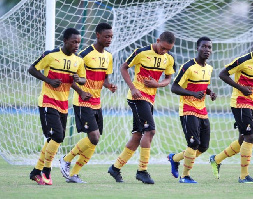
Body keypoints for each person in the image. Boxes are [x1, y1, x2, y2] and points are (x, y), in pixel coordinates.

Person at [108, 31, 176, 184]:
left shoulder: (169, 59)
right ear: (158, 40)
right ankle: (142, 171)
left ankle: (115, 168)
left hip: (150, 100)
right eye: (163, 47)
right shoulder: (141, 52)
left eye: (168, 49)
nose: (164, 51)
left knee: (138, 136)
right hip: (137, 97)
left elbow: (168, 78)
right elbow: (123, 68)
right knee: (150, 131)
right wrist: (133, 88)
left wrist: (157, 84)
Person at [209, 39, 253, 183]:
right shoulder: (243, 60)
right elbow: (222, 74)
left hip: (252, 104)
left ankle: (216, 159)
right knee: (250, 137)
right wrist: (241, 88)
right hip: (239, 103)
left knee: (242, 140)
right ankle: (244, 176)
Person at [59, 23, 117, 183]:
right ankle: (66, 159)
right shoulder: (84, 55)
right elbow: (70, 77)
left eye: (111, 36)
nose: (109, 39)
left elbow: (105, 79)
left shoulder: (109, 56)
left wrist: (109, 85)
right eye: (106, 36)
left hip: (97, 103)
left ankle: (73, 174)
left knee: (94, 141)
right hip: (82, 102)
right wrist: (81, 91)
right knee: (94, 136)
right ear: (97, 35)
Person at [28, 28, 86, 185]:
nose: (76, 45)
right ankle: (46, 171)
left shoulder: (78, 60)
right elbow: (32, 69)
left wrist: (79, 82)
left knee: (52, 139)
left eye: (78, 42)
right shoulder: (51, 55)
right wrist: (48, 80)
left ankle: (36, 172)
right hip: (47, 101)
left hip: (63, 105)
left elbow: (82, 79)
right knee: (58, 136)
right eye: (74, 42)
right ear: (65, 41)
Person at [167, 37, 217, 183]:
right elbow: (174, 87)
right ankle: (185, 176)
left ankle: (174, 158)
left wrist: (209, 92)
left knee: (203, 146)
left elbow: (201, 86)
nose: (207, 50)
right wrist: (193, 94)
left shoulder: (209, 68)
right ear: (197, 48)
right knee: (193, 144)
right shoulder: (188, 66)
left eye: (209, 47)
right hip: (188, 109)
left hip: (202, 110)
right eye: (204, 47)